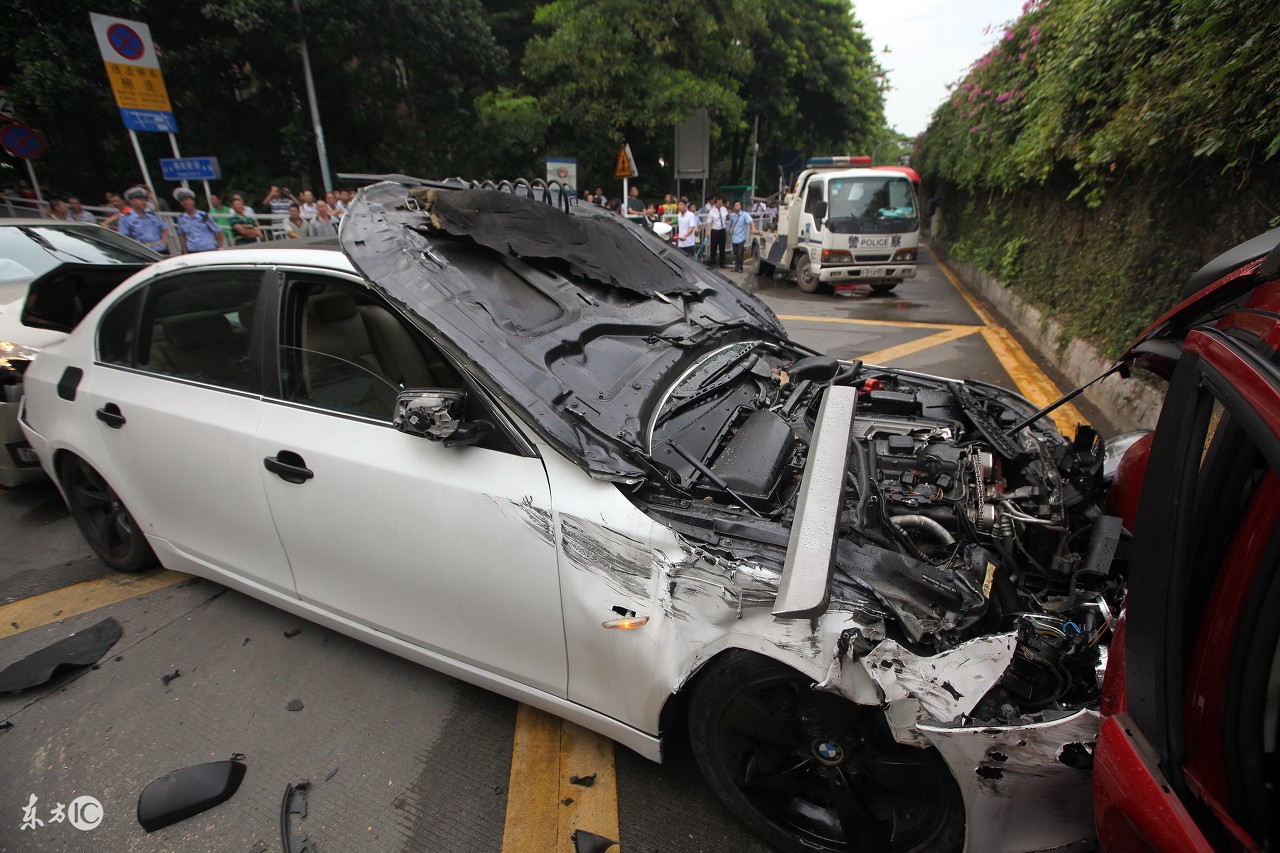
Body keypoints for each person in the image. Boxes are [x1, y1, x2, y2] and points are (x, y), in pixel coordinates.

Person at [118, 186, 170, 253]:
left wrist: (164, 241)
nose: (143, 202)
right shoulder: (126, 218)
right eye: (140, 200)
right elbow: (124, 237)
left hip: (160, 250)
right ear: (131, 201)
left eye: (145, 200)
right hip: (142, 252)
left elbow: (164, 228)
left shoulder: (152, 216)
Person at [173, 188, 224, 253]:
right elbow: (181, 235)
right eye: (182, 201)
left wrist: (220, 247)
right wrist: (184, 251)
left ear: (192, 201)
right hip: (192, 251)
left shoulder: (204, 216)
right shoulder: (181, 219)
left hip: (208, 250)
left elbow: (218, 231)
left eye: (187, 199)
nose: (185, 202)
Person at [728, 200, 754, 272]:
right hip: (734, 237)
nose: (738, 206)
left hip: (741, 237)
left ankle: (740, 268)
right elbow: (730, 224)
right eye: (736, 205)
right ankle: (736, 267)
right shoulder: (732, 215)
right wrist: (731, 229)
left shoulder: (744, 214)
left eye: (739, 205)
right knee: (735, 253)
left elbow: (751, 221)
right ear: (734, 207)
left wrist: (753, 228)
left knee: (740, 253)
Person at [706, 196, 728, 267]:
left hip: (722, 230)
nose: (720, 204)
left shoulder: (724, 209)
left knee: (722, 247)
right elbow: (709, 222)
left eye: (721, 202)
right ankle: (712, 262)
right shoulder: (712, 211)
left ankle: (722, 262)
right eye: (719, 203)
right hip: (715, 230)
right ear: (715, 203)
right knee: (713, 247)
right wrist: (708, 231)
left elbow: (726, 218)